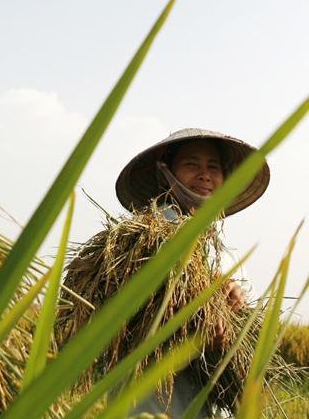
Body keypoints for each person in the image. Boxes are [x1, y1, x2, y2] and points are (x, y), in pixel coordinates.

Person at [113, 128, 270, 417]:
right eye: (191, 164)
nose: (205, 175)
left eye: (214, 167)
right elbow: (117, 338)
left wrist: (235, 308)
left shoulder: (228, 257)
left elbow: (242, 349)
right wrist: (191, 339)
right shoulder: (136, 245)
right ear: (165, 172)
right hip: (152, 409)